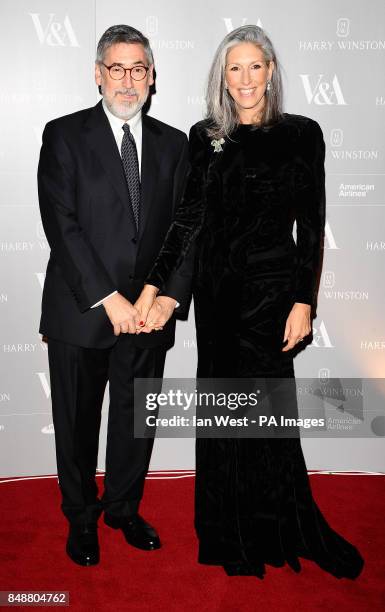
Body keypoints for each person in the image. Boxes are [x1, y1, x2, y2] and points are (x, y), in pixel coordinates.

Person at [136, 25, 364, 579]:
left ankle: (280, 527)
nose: (245, 79)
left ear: (271, 71)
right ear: (222, 75)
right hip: (216, 299)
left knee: (267, 418)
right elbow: (188, 220)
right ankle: (226, 533)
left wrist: (303, 302)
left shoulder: (302, 134)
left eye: (255, 66)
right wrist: (153, 287)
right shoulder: (205, 135)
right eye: (234, 68)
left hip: (270, 296)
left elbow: (311, 227)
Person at [37, 24, 194, 566]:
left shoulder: (177, 145)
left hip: (150, 314)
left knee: (136, 420)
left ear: (152, 77)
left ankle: (124, 508)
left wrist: (167, 298)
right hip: (83, 311)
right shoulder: (63, 135)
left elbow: (185, 228)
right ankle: (81, 519)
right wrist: (109, 298)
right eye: (117, 68)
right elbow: (62, 225)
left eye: (139, 69)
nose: (128, 80)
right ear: (98, 74)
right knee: (77, 424)